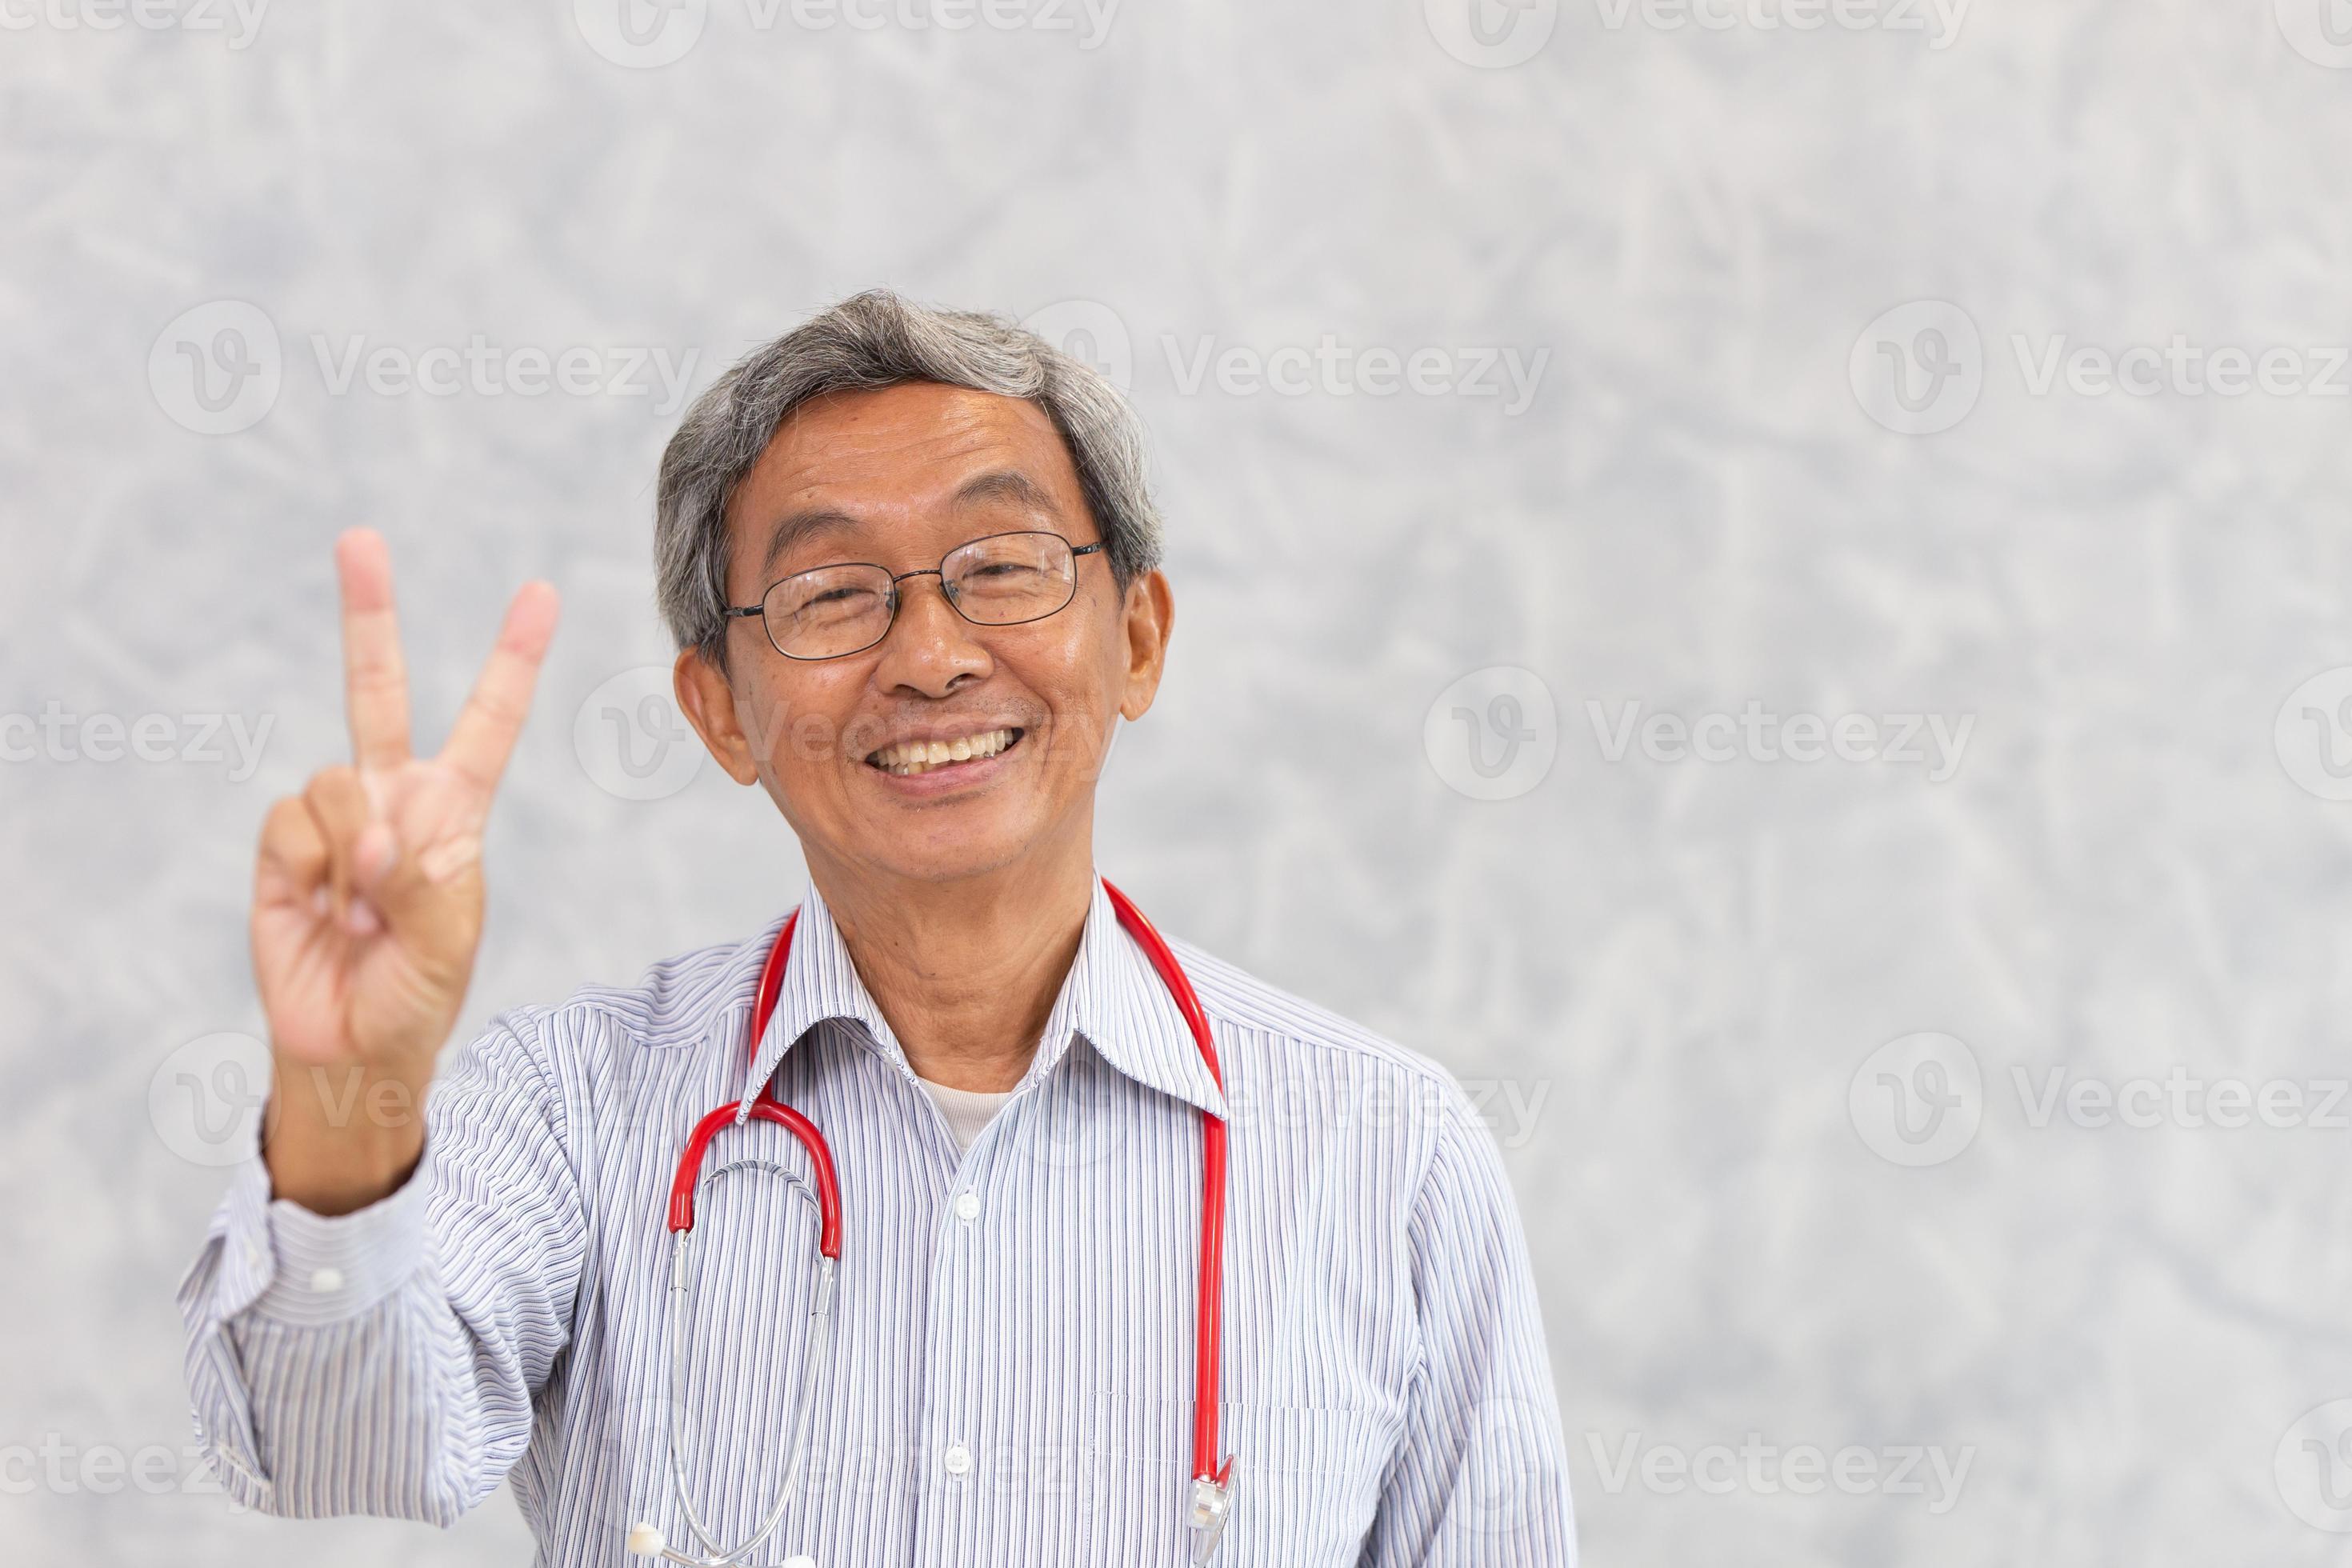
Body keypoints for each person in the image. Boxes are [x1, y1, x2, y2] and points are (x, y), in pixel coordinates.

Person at [175, 290, 1576, 1565]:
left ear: (1137, 637)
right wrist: (344, 1088)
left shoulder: (1387, 1149)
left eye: (1005, 566)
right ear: (722, 709)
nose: (930, 655)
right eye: (831, 593)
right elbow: (328, 1448)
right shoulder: (574, 1105)